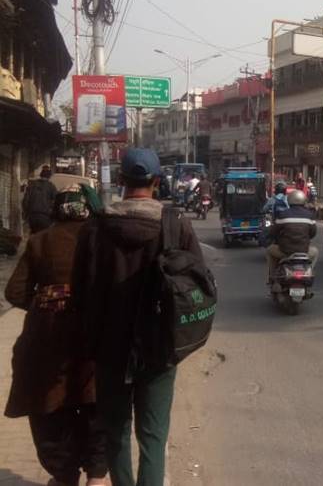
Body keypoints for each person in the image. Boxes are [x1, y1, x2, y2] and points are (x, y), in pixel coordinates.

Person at [72, 148, 203, 486]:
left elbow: (79, 292)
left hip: (108, 349)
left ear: (120, 180)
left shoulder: (94, 228)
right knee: (154, 435)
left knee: (115, 433)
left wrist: (87, 345)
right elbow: (198, 283)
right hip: (159, 350)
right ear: (157, 182)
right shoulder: (176, 224)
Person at [5, 185, 108, 486]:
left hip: (47, 337)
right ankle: (98, 478)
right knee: (96, 402)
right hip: (94, 336)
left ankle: (64, 477)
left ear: (55, 210)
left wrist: (44, 303)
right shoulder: (101, 241)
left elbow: (14, 292)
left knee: (48, 405)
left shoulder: (38, 242)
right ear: (87, 210)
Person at [266, 189, 318, 284]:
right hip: (304, 252)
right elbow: (313, 233)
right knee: (315, 252)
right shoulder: (310, 215)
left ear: (289, 201)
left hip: (285, 252)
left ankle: (272, 276)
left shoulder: (283, 215)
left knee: (269, 250)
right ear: (303, 200)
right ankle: (308, 271)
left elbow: (273, 232)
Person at [22, 165, 58, 234]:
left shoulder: (32, 185)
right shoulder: (51, 187)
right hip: (45, 217)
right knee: (43, 237)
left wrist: (25, 215)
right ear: (49, 176)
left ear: (41, 174)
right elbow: (56, 202)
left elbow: (25, 200)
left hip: (32, 216)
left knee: (33, 235)